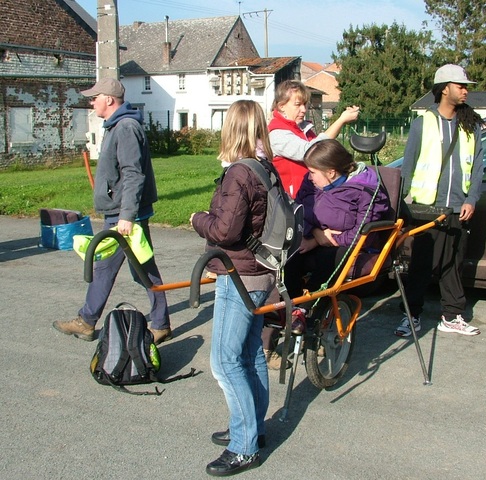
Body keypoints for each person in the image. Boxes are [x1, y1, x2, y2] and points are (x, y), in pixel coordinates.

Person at [190, 100, 275, 476]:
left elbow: (225, 231)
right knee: (251, 352)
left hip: (238, 275)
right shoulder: (263, 166)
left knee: (225, 361)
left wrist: (197, 219)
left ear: (231, 128)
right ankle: (251, 429)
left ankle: (244, 447)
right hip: (261, 273)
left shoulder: (239, 174)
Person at [53, 78, 171, 345]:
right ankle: (158, 322)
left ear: (109, 99)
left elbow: (133, 174)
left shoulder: (126, 127)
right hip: (121, 211)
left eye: (94, 97)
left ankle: (88, 321)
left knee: (118, 267)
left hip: (124, 214)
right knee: (137, 267)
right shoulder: (116, 126)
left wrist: (126, 216)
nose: (91, 102)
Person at [393, 64, 484, 338]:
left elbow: (478, 166)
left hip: (459, 209)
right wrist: (398, 205)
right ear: (445, 89)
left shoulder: (471, 125)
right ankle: (411, 316)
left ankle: (452, 316)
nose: (466, 90)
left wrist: (472, 199)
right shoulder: (423, 123)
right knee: (420, 266)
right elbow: (407, 166)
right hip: (426, 210)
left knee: (453, 266)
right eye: (461, 86)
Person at [284, 139, 390, 326]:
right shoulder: (312, 184)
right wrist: (316, 233)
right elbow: (297, 210)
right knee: (291, 254)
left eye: (313, 172)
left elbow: (362, 234)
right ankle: (289, 305)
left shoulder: (366, 190)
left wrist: (322, 240)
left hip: (345, 245)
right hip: (312, 236)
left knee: (330, 257)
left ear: (331, 172)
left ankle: (307, 309)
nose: (309, 177)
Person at [268, 79, 360, 198]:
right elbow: (310, 151)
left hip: (311, 196)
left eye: (305, 104)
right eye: (298, 104)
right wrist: (341, 121)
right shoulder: (277, 134)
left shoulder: (303, 129)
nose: (304, 110)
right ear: (281, 106)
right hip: (294, 202)